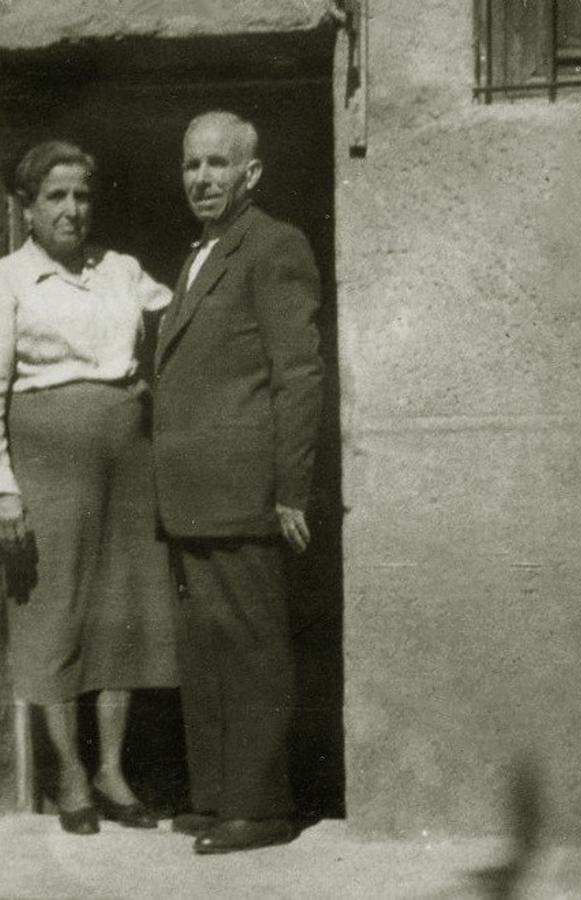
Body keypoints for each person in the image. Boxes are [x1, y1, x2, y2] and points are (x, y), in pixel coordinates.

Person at [0, 140, 177, 836]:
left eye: (82, 195)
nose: (71, 210)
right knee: (53, 609)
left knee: (120, 612)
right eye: (55, 197)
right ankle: (69, 774)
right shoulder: (5, 282)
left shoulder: (118, 270)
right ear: (27, 207)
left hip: (126, 456)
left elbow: (182, 317)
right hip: (46, 456)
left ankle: (113, 770)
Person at [152, 111, 324, 855]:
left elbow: (298, 373)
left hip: (245, 494)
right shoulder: (201, 252)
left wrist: (289, 487)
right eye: (191, 165)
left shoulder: (274, 245)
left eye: (217, 165)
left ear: (250, 174)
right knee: (207, 652)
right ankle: (219, 797)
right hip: (192, 499)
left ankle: (261, 808)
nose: (201, 180)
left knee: (251, 652)